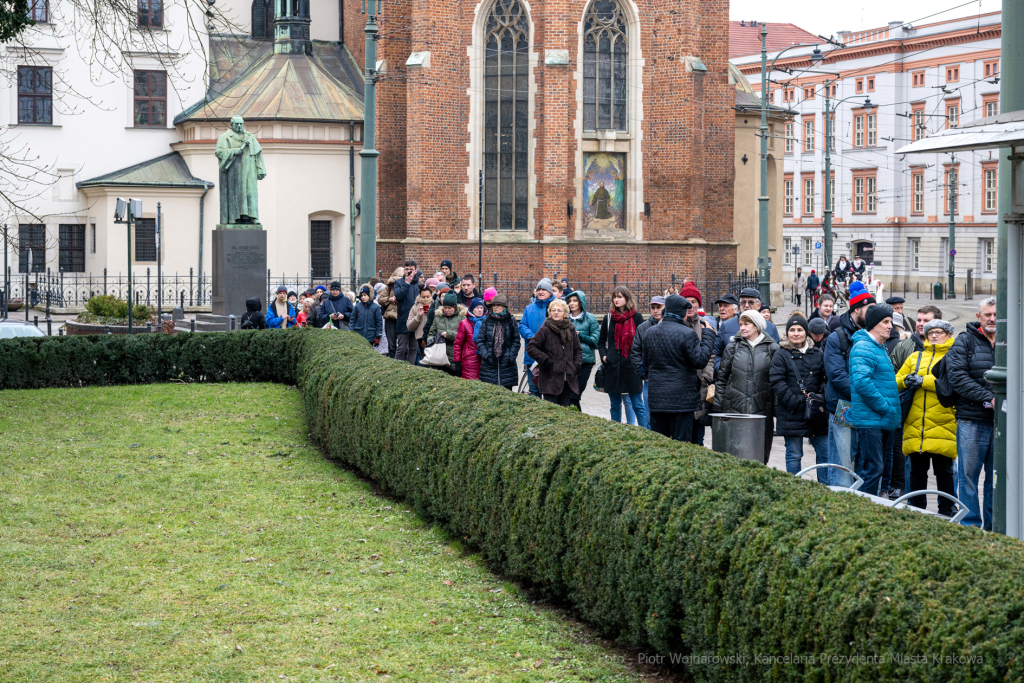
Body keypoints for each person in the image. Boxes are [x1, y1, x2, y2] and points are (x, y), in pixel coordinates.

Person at [896, 318, 957, 516]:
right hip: (916, 425)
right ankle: (916, 510)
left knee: (944, 473)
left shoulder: (954, 356)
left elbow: (951, 382)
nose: (934, 336)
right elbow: (895, 380)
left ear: (948, 335)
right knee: (916, 473)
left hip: (944, 423)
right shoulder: (915, 357)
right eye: (931, 333)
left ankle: (947, 511)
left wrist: (923, 381)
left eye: (939, 332)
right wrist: (906, 380)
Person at [948, 297, 997, 530]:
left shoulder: (1011, 340)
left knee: (996, 480)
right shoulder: (965, 341)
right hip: (972, 419)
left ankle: (994, 527)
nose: (992, 319)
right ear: (979, 317)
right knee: (967, 477)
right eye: (987, 314)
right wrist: (988, 397)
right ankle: (969, 527)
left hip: (1002, 422)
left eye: (996, 314)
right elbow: (957, 377)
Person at [641, 295, 715, 442]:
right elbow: (700, 361)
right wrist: (708, 335)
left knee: (660, 445)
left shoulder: (649, 332)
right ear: (683, 314)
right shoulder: (688, 334)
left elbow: (644, 365)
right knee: (681, 445)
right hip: (682, 402)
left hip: (657, 401)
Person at [823, 280, 875, 486]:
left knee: (865, 460)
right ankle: (839, 501)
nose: (873, 313)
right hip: (843, 405)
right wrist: (862, 395)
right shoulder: (837, 337)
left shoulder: (872, 333)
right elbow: (836, 375)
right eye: (869, 308)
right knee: (842, 461)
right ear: (857, 309)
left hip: (867, 407)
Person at [848, 303, 900, 496]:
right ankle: (862, 512)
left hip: (881, 420)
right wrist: (885, 407)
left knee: (879, 468)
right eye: (885, 322)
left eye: (891, 322)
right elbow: (862, 383)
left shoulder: (879, 347)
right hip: (872, 419)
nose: (890, 326)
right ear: (873, 324)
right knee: (873, 469)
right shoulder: (864, 347)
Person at [714, 309, 778, 463]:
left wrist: (777, 410)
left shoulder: (773, 349)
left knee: (760, 455)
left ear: (756, 326)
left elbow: (776, 383)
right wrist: (718, 407)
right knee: (733, 454)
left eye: (746, 324)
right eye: (740, 324)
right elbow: (721, 378)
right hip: (734, 409)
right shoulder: (732, 347)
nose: (742, 327)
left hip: (761, 410)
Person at [770, 315, 828, 481]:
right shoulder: (781, 354)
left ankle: (825, 490)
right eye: (792, 330)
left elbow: (825, 378)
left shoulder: (817, 353)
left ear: (806, 332)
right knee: (794, 454)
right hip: (791, 412)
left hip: (816, 413)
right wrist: (795, 403)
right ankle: (794, 490)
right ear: (787, 333)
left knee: (824, 454)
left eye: (800, 330)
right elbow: (777, 381)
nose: (796, 333)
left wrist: (819, 397)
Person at [598, 286, 647, 427]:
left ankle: (646, 433)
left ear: (627, 298)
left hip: (631, 368)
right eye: (614, 297)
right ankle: (616, 433)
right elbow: (601, 342)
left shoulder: (637, 317)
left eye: (620, 296)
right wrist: (604, 356)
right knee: (615, 405)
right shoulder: (608, 318)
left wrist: (637, 359)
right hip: (612, 367)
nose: (616, 299)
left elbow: (643, 341)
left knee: (637, 404)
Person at [527, 299, 583, 406]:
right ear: (550, 313)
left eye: (559, 310)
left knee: (564, 409)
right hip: (550, 377)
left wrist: (576, 365)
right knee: (550, 410)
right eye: (553, 310)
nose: (556, 312)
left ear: (565, 314)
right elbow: (531, 348)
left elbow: (578, 350)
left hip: (567, 377)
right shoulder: (545, 330)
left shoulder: (571, 329)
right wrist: (544, 359)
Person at [681, 282, 715, 444]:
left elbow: (711, 353)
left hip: (699, 382)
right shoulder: (676, 324)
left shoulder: (704, 325)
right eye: (686, 301)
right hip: (681, 384)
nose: (690, 305)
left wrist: (707, 376)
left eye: (693, 301)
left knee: (698, 430)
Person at [714, 288, 779, 371]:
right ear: (740, 304)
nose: (747, 305)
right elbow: (716, 355)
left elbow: (778, 356)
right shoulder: (726, 326)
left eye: (751, 302)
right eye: (743, 302)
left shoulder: (770, 327)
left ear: (759, 306)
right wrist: (726, 371)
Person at [629, 295, 665, 427]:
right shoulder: (643, 327)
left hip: (667, 378)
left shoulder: (671, 326)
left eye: (659, 307)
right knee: (649, 417)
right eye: (653, 308)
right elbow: (636, 352)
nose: (656, 310)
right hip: (649, 379)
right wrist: (643, 374)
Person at [476, 294, 520, 390]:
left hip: (507, 365)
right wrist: (486, 354)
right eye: (493, 305)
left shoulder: (511, 320)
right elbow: (480, 340)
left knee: (506, 396)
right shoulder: (487, 320)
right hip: (489, 365)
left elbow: (516, 340)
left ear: (504, 306)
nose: (495, 307)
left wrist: (510, 356)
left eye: (498, 305)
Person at [519, 278, 554, 396]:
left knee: (550, 391)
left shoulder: (555, 308)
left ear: (550, 292)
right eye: (538, 289)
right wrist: (534, 337)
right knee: (534, 390)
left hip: (550, 357)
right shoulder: (529, 308)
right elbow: (522, 325)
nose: (541, 292)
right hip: (532, 356)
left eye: (544, 289)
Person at [567, 289, 599, 410]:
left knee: (575, 395)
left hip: (585, 362)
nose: (572, 303)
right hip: (568, 362)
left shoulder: (590, 318)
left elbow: (595, 341)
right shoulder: (565, 318)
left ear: (581, 302)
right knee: (569, 397)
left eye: (575, 300)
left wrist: (580, 335)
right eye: (570, 301)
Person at [891, 305, 940, 372]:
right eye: (919, 320)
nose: (921, 324)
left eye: (926, 321)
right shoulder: (902, 347)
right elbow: (892, 374)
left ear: (938, 323)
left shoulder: (947, 346)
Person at [426, 292, 466, 374]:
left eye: (449, 308)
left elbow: (464, 336)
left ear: (455, 307)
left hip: (455, 357)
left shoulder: (462, 318)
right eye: (445, 307)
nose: (447, 310)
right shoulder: (438, 318)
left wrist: (449, 335)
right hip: (439, 357)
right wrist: (432, 341)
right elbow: (431, 334)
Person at [392, 261, 421, 364]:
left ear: (415, 271)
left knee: (413, 348)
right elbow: (399, 296)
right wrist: (407, 283)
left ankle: (411, 370)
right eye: (406, 269)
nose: (409, 271)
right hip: (403, 319)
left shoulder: (419, 285)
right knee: (401, 348)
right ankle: (397, 369)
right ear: (403, 270)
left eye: (411, 269)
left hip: (416, 319)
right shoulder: (398, 283)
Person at [453, 298, 485, 380]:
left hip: (484, 360)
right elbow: (458, 344)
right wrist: (457, 362)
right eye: (477, 308)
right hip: (469, 361)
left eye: (481, 308)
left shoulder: (487, 322)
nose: (480, 310)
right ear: (472, 309)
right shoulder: (464, 323)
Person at [378, 267, 405, 358]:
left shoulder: (408, 286)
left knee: (402, 345)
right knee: (392, 344)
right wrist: (389, 299)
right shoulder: (389, 286)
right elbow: (380, 300)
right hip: (390, 317)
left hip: (402, 317)